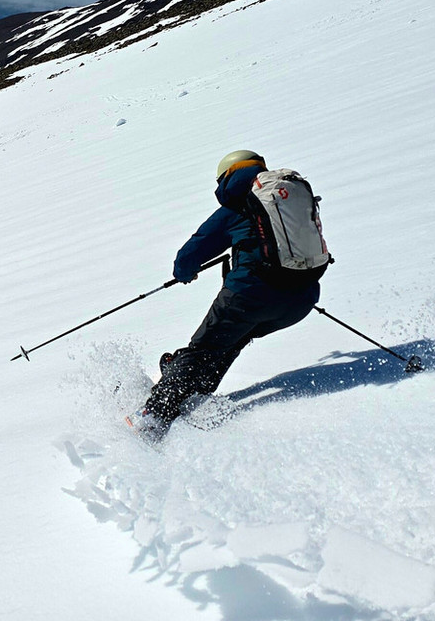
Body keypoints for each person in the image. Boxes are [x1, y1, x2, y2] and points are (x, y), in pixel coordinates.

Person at [130, 150, 324, 441]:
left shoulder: (238, 206)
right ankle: (192, 391)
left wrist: (184, 273)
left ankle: (153, 415)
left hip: (251, 295)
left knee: (201, 349)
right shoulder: (285, 197)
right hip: (302, 299)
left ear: (228, 177)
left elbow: (191, 253)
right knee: (232, 340)